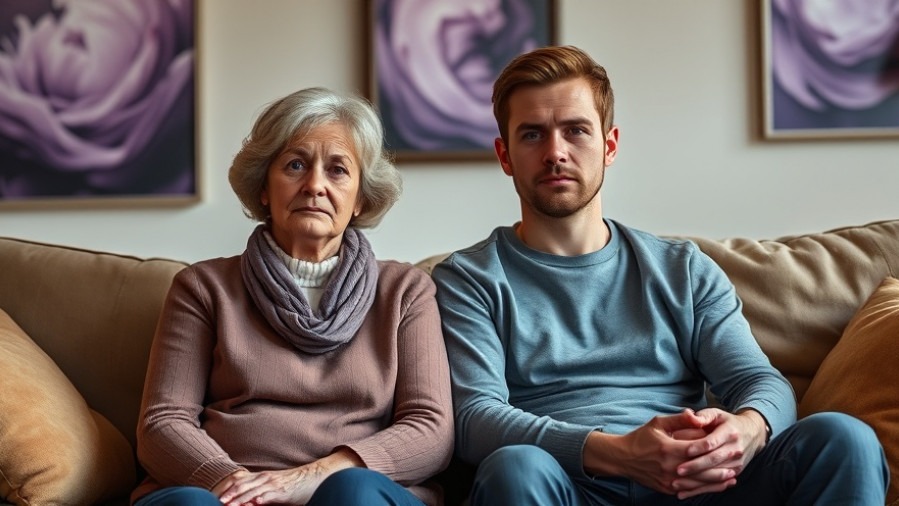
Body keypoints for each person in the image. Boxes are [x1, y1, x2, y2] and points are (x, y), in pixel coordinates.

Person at [431, 45, 889, 505]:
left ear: (609, 146)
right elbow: (475, 418)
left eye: (576, 131)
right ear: (505, 155)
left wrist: (748, 428)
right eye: (532, 135)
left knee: (842, 438)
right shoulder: (469, 280)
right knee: (515, 466)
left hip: (696, 484)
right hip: (568, 485)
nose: (556, 152)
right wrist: (616, 452)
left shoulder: (682, 269)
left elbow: (759, 380)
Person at [133, 87, 453, 506]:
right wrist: (237, 485)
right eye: (295, 165)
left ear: (360, 199)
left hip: (353, 489)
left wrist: (309, 478)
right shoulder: (203, 287)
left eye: (338, 170)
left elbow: (431, 428)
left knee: (352, 494)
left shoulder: (404, 291)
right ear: (264, 187)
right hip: (227, 494)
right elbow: (163, 422)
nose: (314, 185)